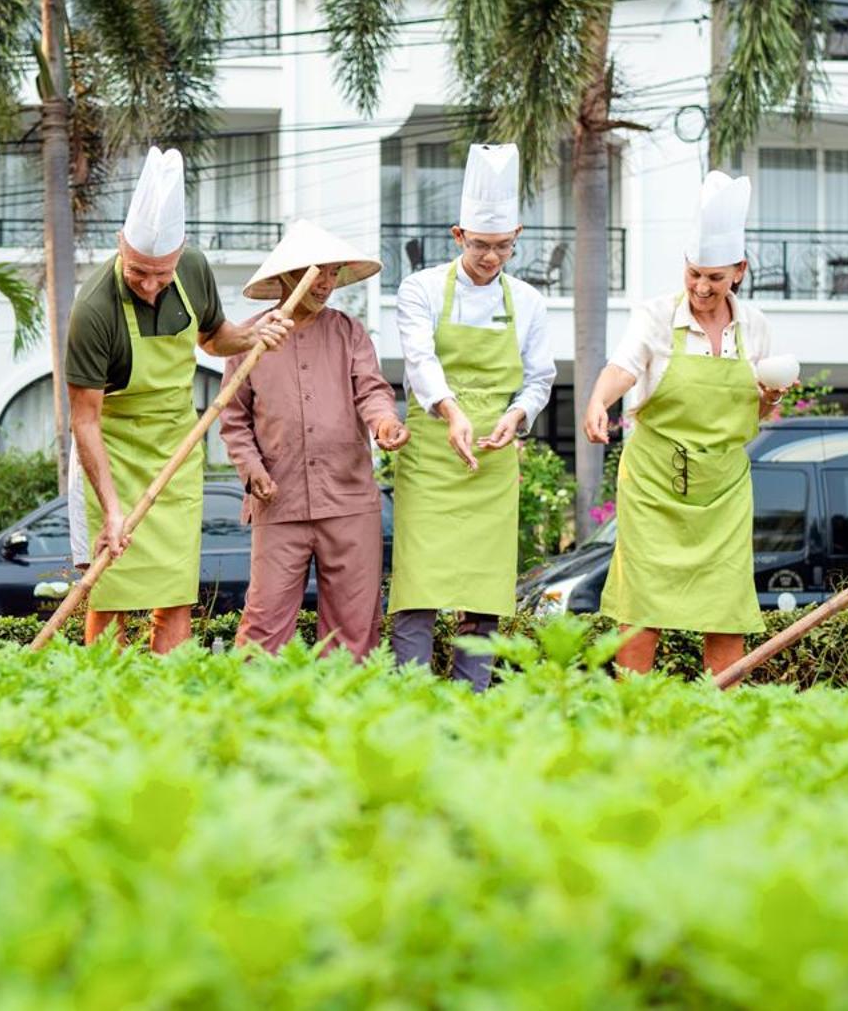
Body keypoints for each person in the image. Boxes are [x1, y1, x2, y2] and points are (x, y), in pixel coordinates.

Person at [66, 147, 290, 652]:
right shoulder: (92, 308)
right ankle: (100, 708)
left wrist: (254, 335)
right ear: (121, 245)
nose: (149, 285)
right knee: (110, 595)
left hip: (174, 449)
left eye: (160, 274)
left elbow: (215, 339)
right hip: (112, 454)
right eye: (138, 271)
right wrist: (113, 509)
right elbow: (85, 422)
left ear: (180, 254)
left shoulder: (192, 269)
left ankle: (169, 704)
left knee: (174, 594)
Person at [584, 170, 785, 677]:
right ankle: (635, 715)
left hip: (723, 490)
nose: (701, 286)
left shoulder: (755, 326)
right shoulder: (655, 316)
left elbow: (758, 414)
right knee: (640, 610)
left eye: (714, 278)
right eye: (694, 273)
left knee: (725, 612)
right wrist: (597, 401)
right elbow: (623, 367)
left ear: (738, 271)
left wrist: (768, 400)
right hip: (654, 484)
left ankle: (721, 720)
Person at [390, 143, 555, 690]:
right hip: (431, 454)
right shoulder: (418, 289)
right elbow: (419, 359)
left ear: (517, 238)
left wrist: (518, 415)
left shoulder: (528, 301)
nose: (490, 258)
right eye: (480, 245)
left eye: (502, 247)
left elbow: (538, 378)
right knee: (418, 586)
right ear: (458, 236)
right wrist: (451, 411)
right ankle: (409, 701)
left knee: (483, 592)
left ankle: (473, 704)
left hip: (491, 459)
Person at [219, 221, 408, 659]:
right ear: (287, 275)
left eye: (333, 272)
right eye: (316, 272)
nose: (326, 283)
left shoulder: (349, 332)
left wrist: (384, 424)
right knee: (264, 624)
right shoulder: (249, 339)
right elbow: (233, 419)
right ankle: (252, 715)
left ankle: (345, 718)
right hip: (278, 500)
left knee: (355, 625)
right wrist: (253, 471)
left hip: (348, 499)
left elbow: (372, 391)